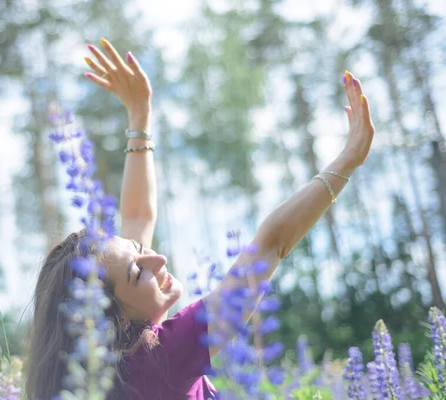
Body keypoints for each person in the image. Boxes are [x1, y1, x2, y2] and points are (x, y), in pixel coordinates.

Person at [24, 38, 375, 400]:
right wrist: (348, 160)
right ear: (117, 320)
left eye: (139, 249)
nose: (156, 258)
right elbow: (270, 246)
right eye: (136, 271)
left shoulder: (108, 375)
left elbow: (137, 215)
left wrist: (139, 115)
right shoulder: (162, 355)